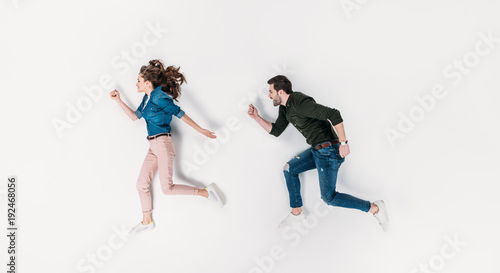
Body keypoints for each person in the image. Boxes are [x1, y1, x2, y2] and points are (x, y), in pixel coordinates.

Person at [248, 75, 389, 231]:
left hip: (329, 151)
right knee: (289, 169)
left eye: (271, 92)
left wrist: (343, 143)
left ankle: (375, 208)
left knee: (329, 197)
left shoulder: (299, 102)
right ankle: (297, 214)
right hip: (317, 150)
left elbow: (334, 114)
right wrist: (256, 117)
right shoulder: (285, 108)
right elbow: (276, 131)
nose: (269, 96)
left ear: (280, 92)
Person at [110, 59, 223, 236]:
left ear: (147, 82)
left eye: (138, 80)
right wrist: (118, 100)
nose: (136, 83)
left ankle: (206, 193)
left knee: (167, 188)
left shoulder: (159, 97)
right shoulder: (147, 98)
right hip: (152, 146)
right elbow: (134, 117)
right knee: (141, 184)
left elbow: (180, 113)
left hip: (163, 144)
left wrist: (200, 130)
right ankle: (147, 221)